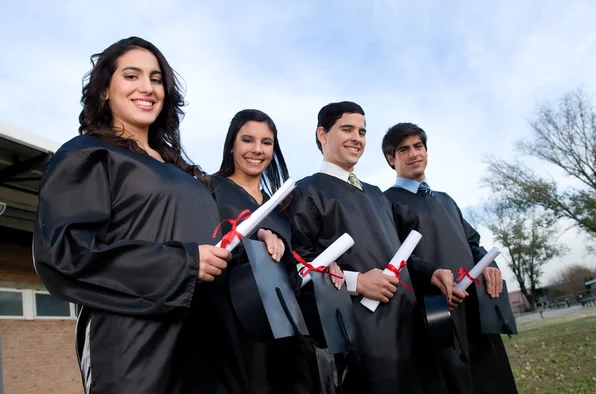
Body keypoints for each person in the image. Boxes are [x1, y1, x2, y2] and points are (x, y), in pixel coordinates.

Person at [32, 37, 231, 394]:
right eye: (131, 75)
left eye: (156, 79)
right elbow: (64, 257)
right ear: (105, 89)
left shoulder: (184, 172)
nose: (147, 87)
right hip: (136, 351)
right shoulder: (88, 155)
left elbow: (212, 242)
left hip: (205, 349)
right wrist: (182, 263)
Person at [289, 101, 454, 394]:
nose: (357, 138)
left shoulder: (378, 195)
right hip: (363, 336)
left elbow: (398, 254)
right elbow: (300, 265)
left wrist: (430, 273)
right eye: (347, 129)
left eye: (362, 132)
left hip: (411, 327)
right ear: (322, 134)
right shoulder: (306, 191)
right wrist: (358, 282)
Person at [382, 122, 518, 394]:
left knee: (492, 380)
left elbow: (472, 243)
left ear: (427, 151)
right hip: (433, 312)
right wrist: (430, 275)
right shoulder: (386, 202)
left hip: (475, 309)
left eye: (418, 146)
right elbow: (393, 255)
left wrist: (489, 265)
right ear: (390, 158)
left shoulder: (446, 200)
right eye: (403, 149)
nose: (413, 154)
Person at [205, 109, 312, 393]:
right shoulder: (209, 190)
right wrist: (256, 234)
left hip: (280, 333)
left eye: (266, 142)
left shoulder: (282, 209)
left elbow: (293, 269)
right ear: (232, 144)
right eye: (248, 140)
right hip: (230, 330)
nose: (257, 150)